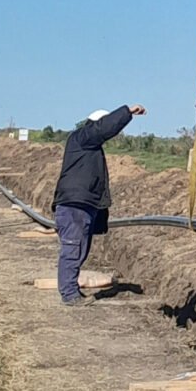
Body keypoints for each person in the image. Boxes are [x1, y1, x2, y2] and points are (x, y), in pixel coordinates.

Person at [53, 105, 145, 306]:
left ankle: (71, 290)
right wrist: (127, 112)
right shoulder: (83, 137)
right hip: (74, 206)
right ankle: (69, 294)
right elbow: (104, 128)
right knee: (72, 249)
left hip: (81, 205)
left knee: (79, 249)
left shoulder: (88, 145)